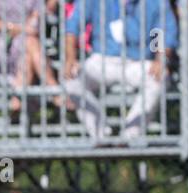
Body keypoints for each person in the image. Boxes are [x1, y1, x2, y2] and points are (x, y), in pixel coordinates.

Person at [62, 0, 178, 141]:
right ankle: (101, 135)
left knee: (160, 77)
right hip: (101, 59)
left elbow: (159, 31)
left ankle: (129, 137)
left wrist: (159, 59)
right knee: (71, 76)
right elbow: (73, 25)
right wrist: (70, 58)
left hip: (138, 61)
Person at [0, 0, 60, 113]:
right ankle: (54, 89)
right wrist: (17, 28)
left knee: (28, 52)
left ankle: (16, 100)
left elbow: (35, 20)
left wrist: (23, 28)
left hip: (26, 45)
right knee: (31, 44)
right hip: (1, 43)